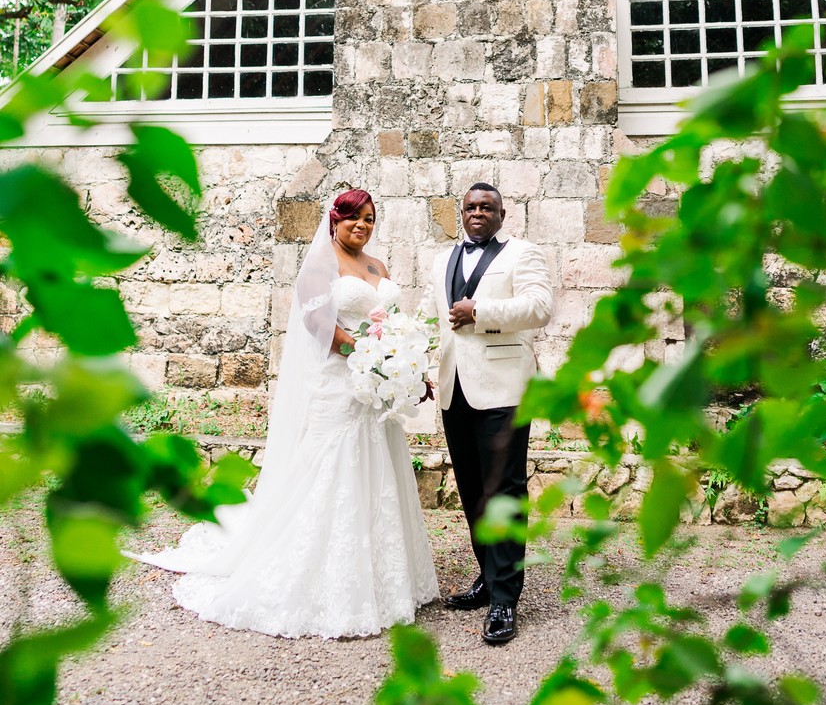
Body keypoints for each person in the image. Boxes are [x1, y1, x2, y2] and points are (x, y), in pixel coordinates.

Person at [129, 189, 438, 639]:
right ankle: (324, 581)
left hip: (375, 384)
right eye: (354, 217)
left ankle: (384, 580)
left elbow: (390, 323)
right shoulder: (320, 264)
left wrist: (404, 364)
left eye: (370, 219)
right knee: (334, 468)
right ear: (335, 219)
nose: (362, 226)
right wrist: (371, 352)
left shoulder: (378, 267)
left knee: (380, 469)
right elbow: (318, 325)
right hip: (339, 382)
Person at [420, 183, 552, 645]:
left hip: (504, 389)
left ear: (502, 213)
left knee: (505, 492)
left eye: (487, 207)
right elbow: (431, 318)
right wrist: (414, 364)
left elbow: (540, 307)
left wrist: (482, 310)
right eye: (471, 207)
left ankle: (505, 601)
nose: (478, 213)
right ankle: (486, 578)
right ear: (461, 213)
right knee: (473, 490)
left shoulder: (524, 254)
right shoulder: (443, 260)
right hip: (454, 388)